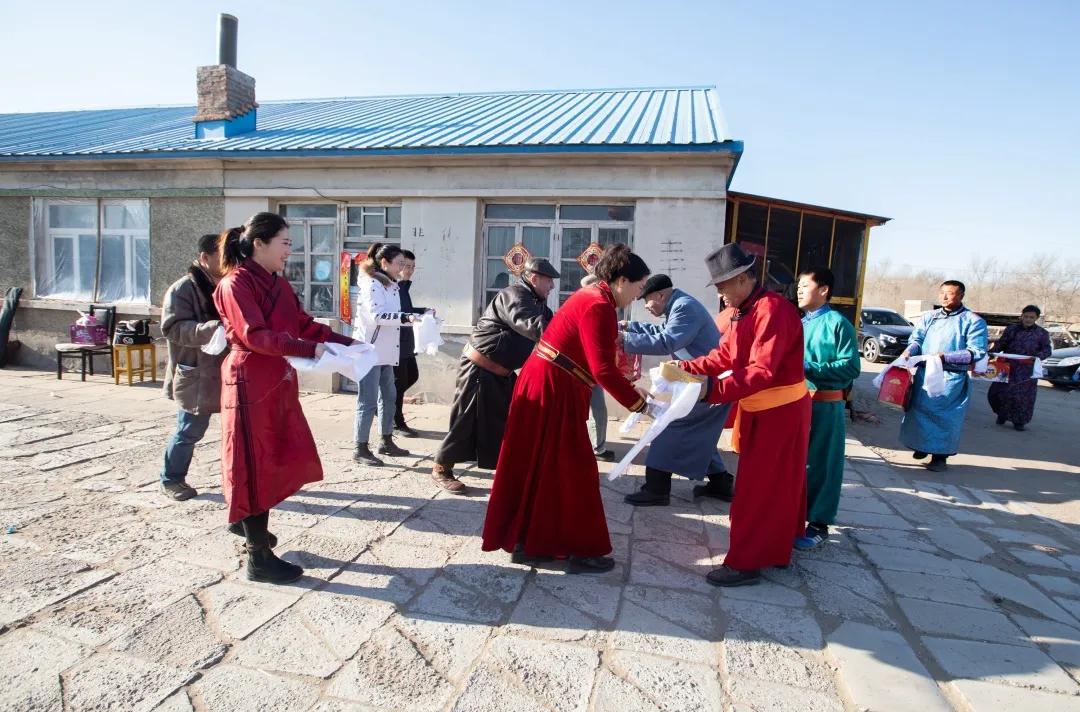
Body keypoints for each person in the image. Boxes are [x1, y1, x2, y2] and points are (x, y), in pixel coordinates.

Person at [482, 244, 650, 575]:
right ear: (620, 280)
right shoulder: (598, 304)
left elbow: (596, 360)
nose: (638, 296)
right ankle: (582, 549)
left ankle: (527, 542)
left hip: (552, 381)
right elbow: (602, 369)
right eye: (638, 287)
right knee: (574, 469)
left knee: (541, 466)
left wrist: (631, 388)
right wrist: (639, 404)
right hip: (553, 387)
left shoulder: (593, 297)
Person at [214, 212, 355, 584]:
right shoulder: (236, 284)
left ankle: (248, 526)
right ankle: (257, 557)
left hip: (276, 380)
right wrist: (308, 349)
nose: (289, 251)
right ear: (259, 243)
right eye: (285, 242)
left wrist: (350, 345)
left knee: (276, 456)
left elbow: (304, 324)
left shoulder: (277, 282)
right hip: (250, 383)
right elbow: (255, 336)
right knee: (253, 463)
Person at [672, 243, 811, 587]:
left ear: (745, 279)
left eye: (722, 286)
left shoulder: (773, 310)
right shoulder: (742, 311)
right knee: (775, 484)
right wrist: (685, 369)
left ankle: (746, 563)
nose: (720, 294)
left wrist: (710, 391)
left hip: (781, 410)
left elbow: (761, 371)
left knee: (758, 488)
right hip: (763, 408)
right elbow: (722, 357)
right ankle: (776, 549)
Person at [431, 258, 559, 492]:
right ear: (534, 279)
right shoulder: (515, 295)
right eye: (549, 281)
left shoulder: (538, 302)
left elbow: (555, 324)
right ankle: (441, 467)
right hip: (479, 368)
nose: (552, 286)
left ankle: (513, 469)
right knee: (465, 419)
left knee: (513, 421)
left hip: (503, 373)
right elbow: (533, 325)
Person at [620, 273, 734, 506]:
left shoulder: (684, 307)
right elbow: (661, 332)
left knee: (669, 425)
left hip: (709, 385)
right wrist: (629, 327)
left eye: (646, 300)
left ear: (661, 295)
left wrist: (624, 339)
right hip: (703, 382)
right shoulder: (678, 306)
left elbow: (667, 341)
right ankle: (721, 484)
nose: (646, 306)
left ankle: (657, 488)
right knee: (699, 434)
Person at [792, 268, 860, 550]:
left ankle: (819, 523)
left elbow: (851, 367)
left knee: (822, 463)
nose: (798, 290)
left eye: (805, 285)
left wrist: (809, 367)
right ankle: (795, 516)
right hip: (796, 403)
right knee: (798, 463)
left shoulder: (837, 324)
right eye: (798, 285)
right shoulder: (800, 323)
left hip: (824, 404)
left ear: (824, 290)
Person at [159, 232, 228, 501]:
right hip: (197, 371)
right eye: (223, 256)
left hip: (225, 369)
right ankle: (172, 478)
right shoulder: (183, 289)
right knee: (189, 430)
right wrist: (211, 329)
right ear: (205, 257)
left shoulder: (227, 285)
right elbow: (173, 327)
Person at [899, 281, 988, 472]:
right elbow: (917, 339)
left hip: (951, 378)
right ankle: (921, 445)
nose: (945, 297)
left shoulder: (973, 321)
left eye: (951, 293)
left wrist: (945, 356)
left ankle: (940, 457)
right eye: (943, 294)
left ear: (961, 296)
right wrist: (908, 352)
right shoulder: (929, 317)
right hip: (924, 373)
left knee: (945, 418)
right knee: (918, 411)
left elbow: (976, 352)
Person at [352, 243, 418, 466]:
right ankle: (360, 448)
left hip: (387, 350)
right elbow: (377, 316)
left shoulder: (392, 285)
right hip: (370, 351)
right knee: (368, 401)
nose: (402, 267)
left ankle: (386, 440)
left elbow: (397, 312)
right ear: (384, 263)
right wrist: (405, 318)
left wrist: (417, 314)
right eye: (399, 263)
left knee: (389, 397)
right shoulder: (372, 284)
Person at [987, 305, 1051, 431]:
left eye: (1031, 317)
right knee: (998, 393)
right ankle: (1002, 414)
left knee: (1022, 398)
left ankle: (1019, 421)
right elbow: (1001, 343)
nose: (1028, 319)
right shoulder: (1012, 329)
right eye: (1026, 316)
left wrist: (1037, 357)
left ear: (1036, 318)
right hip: (1007, 367)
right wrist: (991, 353)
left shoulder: (1042, 334)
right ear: (1022, 316)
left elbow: (1047, 350)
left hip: (1027, 371)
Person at [392, 249, 430, 437]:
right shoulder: (392, 288)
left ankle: (386, 405)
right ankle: (396, 422)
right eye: (406, 266)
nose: (410, 270)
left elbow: (407, 310)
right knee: (398, 384)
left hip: (407, 343)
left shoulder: (404, 287)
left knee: (412, 376)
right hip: (396, 343)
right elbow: (398, 314)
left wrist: (423, 311)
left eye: (413, 267)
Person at [581, 275, 615, 461]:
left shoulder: (600, 305)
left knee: (597, 409)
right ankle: (595, 447)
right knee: (593, 409)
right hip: (583, 368)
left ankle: (597, 447)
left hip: (590, 368)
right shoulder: (589, 305)